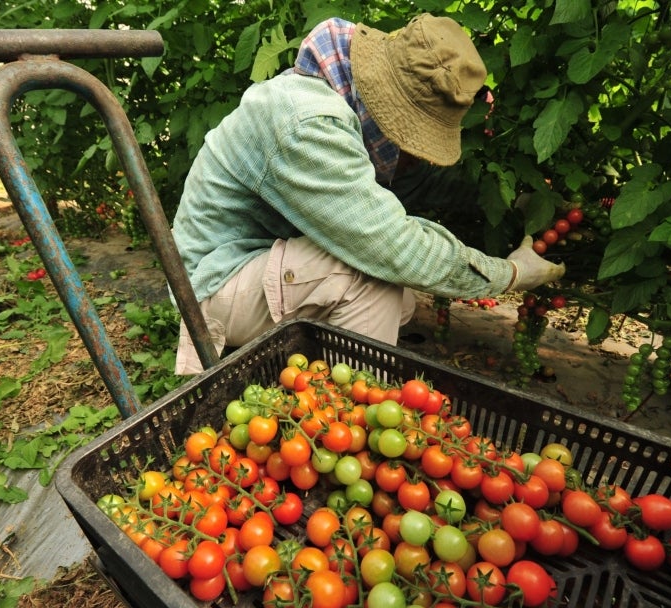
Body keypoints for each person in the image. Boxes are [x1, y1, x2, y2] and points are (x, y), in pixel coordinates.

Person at [170, 13, 565, 374]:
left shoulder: (336, 103)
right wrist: (510, 273)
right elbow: (393, 246)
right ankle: (349, 422)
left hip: (248, 267)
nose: (416, 156)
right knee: (371, 277)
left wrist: (518, 203)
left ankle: (309, 374)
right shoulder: (311, 125)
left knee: (400, 298)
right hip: (211, 288)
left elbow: (419, 185)